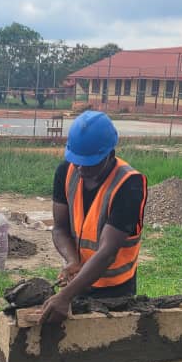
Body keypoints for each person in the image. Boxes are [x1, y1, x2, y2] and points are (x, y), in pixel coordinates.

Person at [41, 110, 147, 323]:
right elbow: (60, 228)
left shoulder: (129, 185)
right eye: (77, 160)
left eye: (89, 163)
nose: (81, 168)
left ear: (110, 154)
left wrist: (65, 296)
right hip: (78, 282)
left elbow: (107, 252)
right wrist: (72, 260)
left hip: (115, 289)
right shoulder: (66, 171)